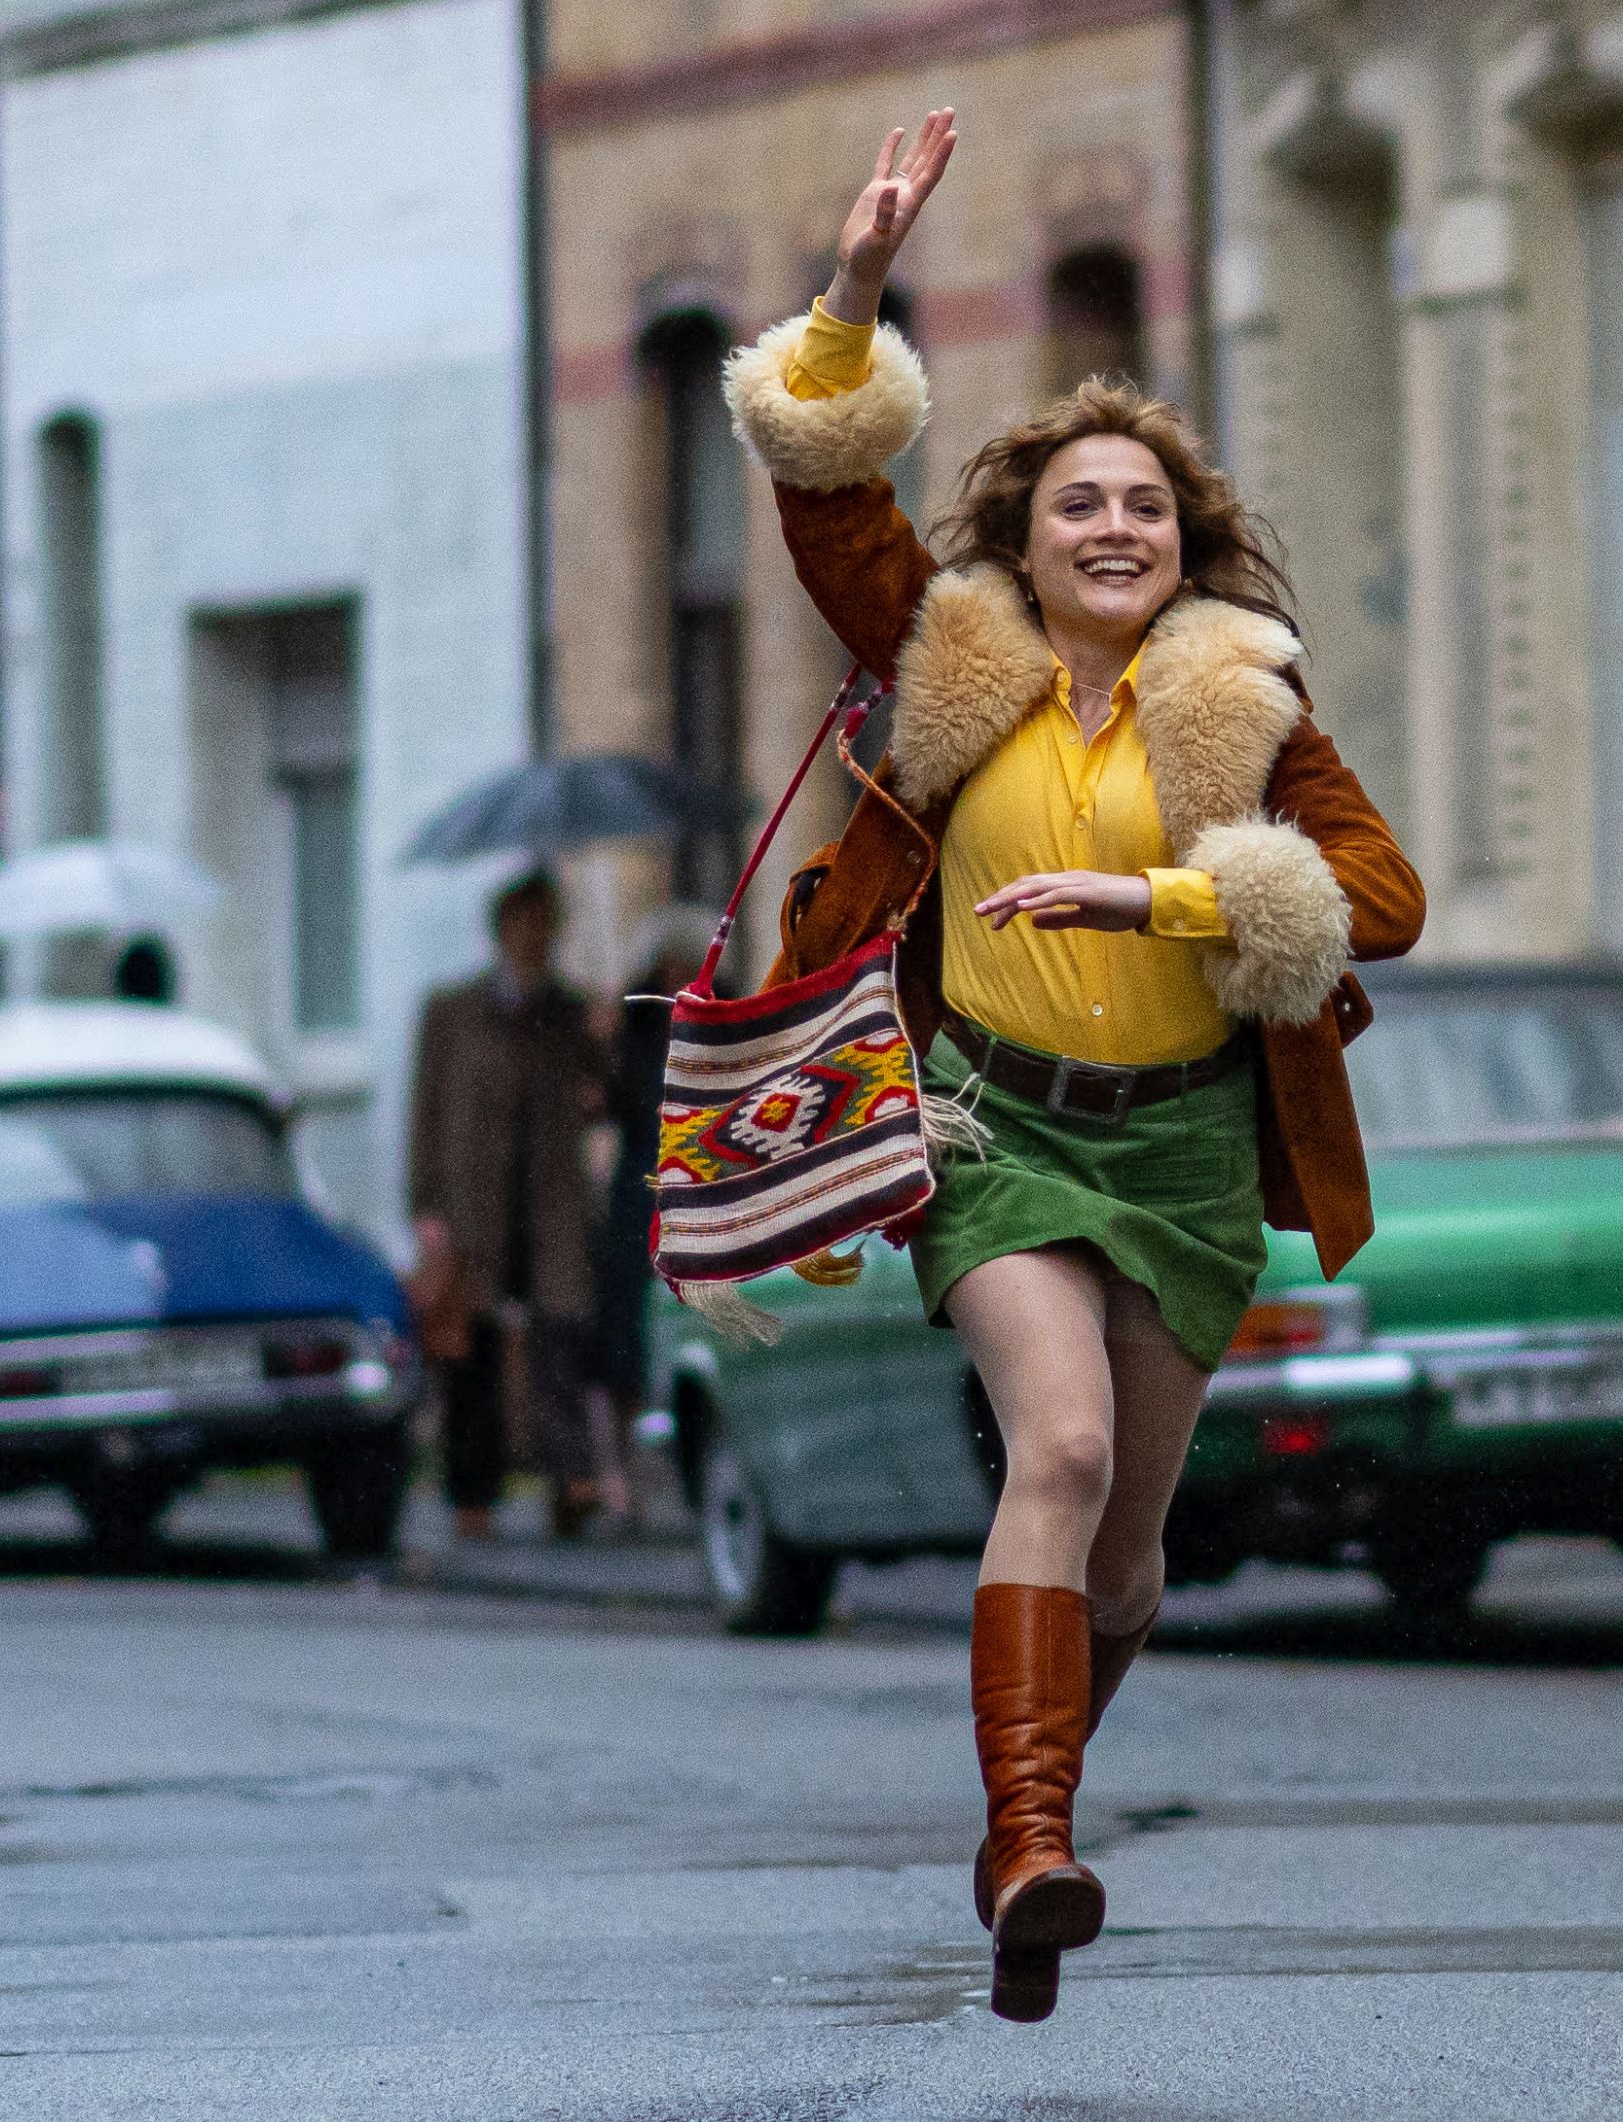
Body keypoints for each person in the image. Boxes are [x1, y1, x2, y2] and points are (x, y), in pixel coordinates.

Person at [727, 110, 1423, 2021]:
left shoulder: (1247, 709)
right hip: (999, 1134)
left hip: (1187, 1156)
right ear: (1022, 542)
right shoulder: (949, 659)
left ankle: (1023, 1834)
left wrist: (1175, 901)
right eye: (1078, 506)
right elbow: (826, 494)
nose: (1115, 528)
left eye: (1147, 509)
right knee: (1067, 1446)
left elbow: (1385, 897)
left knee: (1128, 1569)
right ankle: (1034, 1838)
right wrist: (856, 288)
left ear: (1185, 546)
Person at [407, 870, 612, 1541]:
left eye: (548, 925)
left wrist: (603, 1041)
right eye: (526, 924)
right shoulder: (451, 1011)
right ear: (500, 931)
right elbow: (426, 1111)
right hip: (473, 1205)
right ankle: (473, 1494)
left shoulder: (570, 1011)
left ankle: (570, 1482)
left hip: (550, 1203)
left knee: (560, 1339)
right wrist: (425, 1205)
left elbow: (605, 1096)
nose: (537, 938)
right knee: (472, 1353)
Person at [589, 907, 716, 1532]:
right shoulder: (633, 1026)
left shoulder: (723, 1019)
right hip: (641, 1188)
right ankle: (623, 1481)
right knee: (624, 1330)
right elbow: (610, 1101)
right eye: (673, 966)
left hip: (704, 1185)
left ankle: (687, 1470)